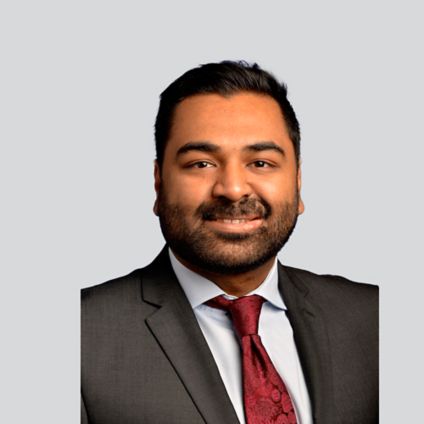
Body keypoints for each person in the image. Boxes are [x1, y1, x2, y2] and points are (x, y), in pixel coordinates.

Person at [81, 61, 378, 424]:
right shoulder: (79, 336)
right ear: (158, 183)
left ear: (298, 182)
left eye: (261, 163)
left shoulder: (375, 318)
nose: (233, 189)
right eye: (201, 164)